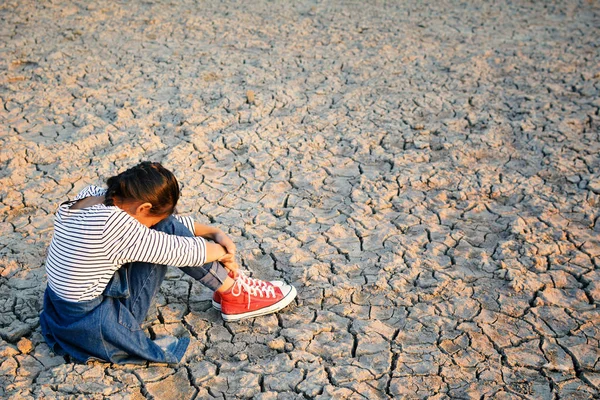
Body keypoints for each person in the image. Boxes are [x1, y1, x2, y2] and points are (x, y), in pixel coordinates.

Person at [39, 161, 296, 365]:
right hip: (93, 318)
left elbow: (164, 224)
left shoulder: (93, 196)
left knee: (163, 229)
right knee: (167, 242)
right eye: (152, 215)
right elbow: (179, 251)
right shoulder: (112, 226)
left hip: (65, 308)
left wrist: (213, 232)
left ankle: (229, 290)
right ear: (144, 207)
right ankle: (234, 293)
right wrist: (221, 251)